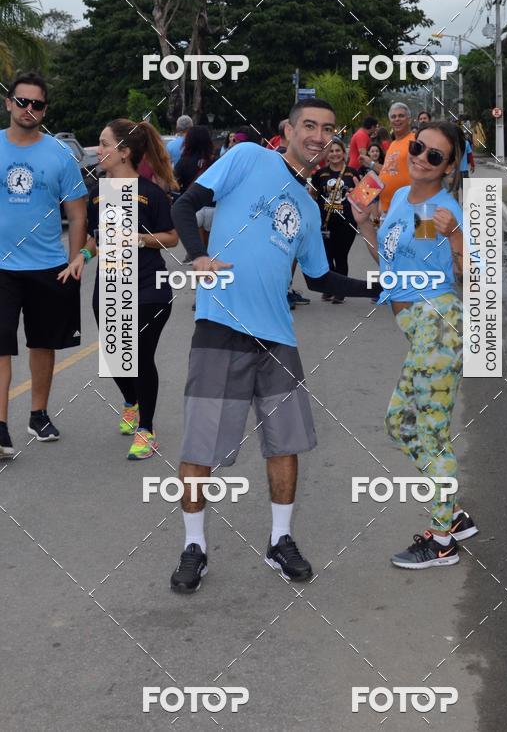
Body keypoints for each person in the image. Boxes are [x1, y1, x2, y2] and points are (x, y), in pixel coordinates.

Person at [169, 98, 382, 592]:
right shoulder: (248, 159)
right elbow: (184, 203)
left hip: (278, 338)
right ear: (287, 129)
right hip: (220, 327)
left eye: (328, 129)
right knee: (201, 445)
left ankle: (279, 541)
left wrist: (377, 286)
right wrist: (198, 256)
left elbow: (321, 276)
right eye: (309, 125)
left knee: (285, 444)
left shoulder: (309, 207)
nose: (318, 135)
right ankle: (194, 546)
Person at [351, 120, 478, 568]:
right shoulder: (404, 198)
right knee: (398, 425)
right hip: (414, 327)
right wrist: (365, 225)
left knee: (430, 433)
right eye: (419, 148)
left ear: (449, 168)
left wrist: (456, 236)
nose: (421, 158)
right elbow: (395, 264)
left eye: (435, 156)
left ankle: (443, 540)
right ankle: (454, 515)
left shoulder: (446, 212)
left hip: (439, 328)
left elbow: (475, 279)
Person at [64, 119, 179, 459]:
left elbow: (171, 237)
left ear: (124, 152)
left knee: (140, 357)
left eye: (103, 144)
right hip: (111, 284)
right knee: (116, 359)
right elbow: (96, 240)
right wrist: (82, 256)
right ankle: (131, 402)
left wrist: (140, 239)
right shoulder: (99, 191)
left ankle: (147, 429)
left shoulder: (151, 192)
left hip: (149, 288)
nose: (97, 150)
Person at [0, 72, 87, 458]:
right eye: (22, 102)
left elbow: (78, 214)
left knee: (42, 343)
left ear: (44, 110)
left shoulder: (58, 154)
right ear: (8, 103)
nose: (28, 109)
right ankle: (0, 427)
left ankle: (38, 414)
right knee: (1, 346)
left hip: (48, 266)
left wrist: (76, 260)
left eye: (36, 104)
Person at [310, 137, 359, 303]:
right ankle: (330, 287)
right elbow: (313, 194)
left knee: (341, 255)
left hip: (347, 222)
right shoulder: (319, 174)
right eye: (331, 151)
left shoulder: (353, 173)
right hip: (325, 222)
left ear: (344, 153)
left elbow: (363, 195)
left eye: (338, 150)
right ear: (326, 154)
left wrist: (356, 194)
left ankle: (340, 290)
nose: (335, 154)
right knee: (326, 255)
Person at [377, 102, 413, 217]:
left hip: (406, 207)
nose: (397, 119)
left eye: (401, 116)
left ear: (409, 119)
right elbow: (387, 171)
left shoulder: (415, 141)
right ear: (390, 122)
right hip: (387, 208)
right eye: (393, 117)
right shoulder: (392, 144)